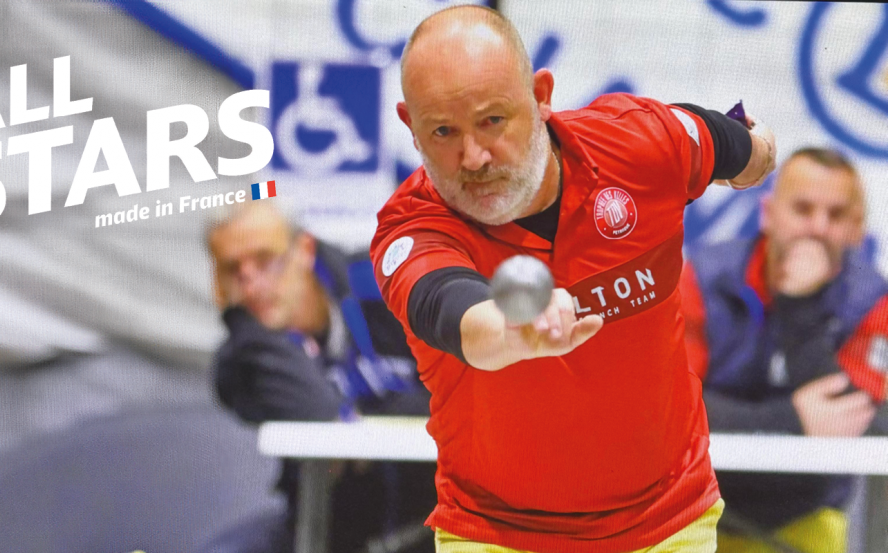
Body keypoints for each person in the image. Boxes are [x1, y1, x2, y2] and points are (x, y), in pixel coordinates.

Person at [370, 5, 776, 553]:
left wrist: (757, 153)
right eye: (443, 131)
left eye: (493, 120)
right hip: (495, 533)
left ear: (540, 95)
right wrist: (517, 330)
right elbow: (454, 309)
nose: (473, 156)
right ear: (409, 126)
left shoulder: (641, 145)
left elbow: (725, 141)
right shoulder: (409, 228)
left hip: (667, 521)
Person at [680, 147, 888, 553]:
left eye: (836, 215)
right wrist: (791, 416)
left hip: (807, 513)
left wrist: (799, 310)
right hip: (697, 506)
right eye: (803, 209)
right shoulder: (702, 278)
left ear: (857, 229)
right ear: (768, 213)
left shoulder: (872, 300)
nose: (817, 228)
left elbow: (856, 423)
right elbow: (672, 407)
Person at [206, 200, 435, 553]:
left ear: (305, 250)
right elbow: (320, 414)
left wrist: (370, 415)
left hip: (442, 521)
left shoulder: (383, 286)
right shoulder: (242, 361)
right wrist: (243, 324)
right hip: (327, 532)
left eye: (266, 261)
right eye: (233, 271)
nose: (252, 286)